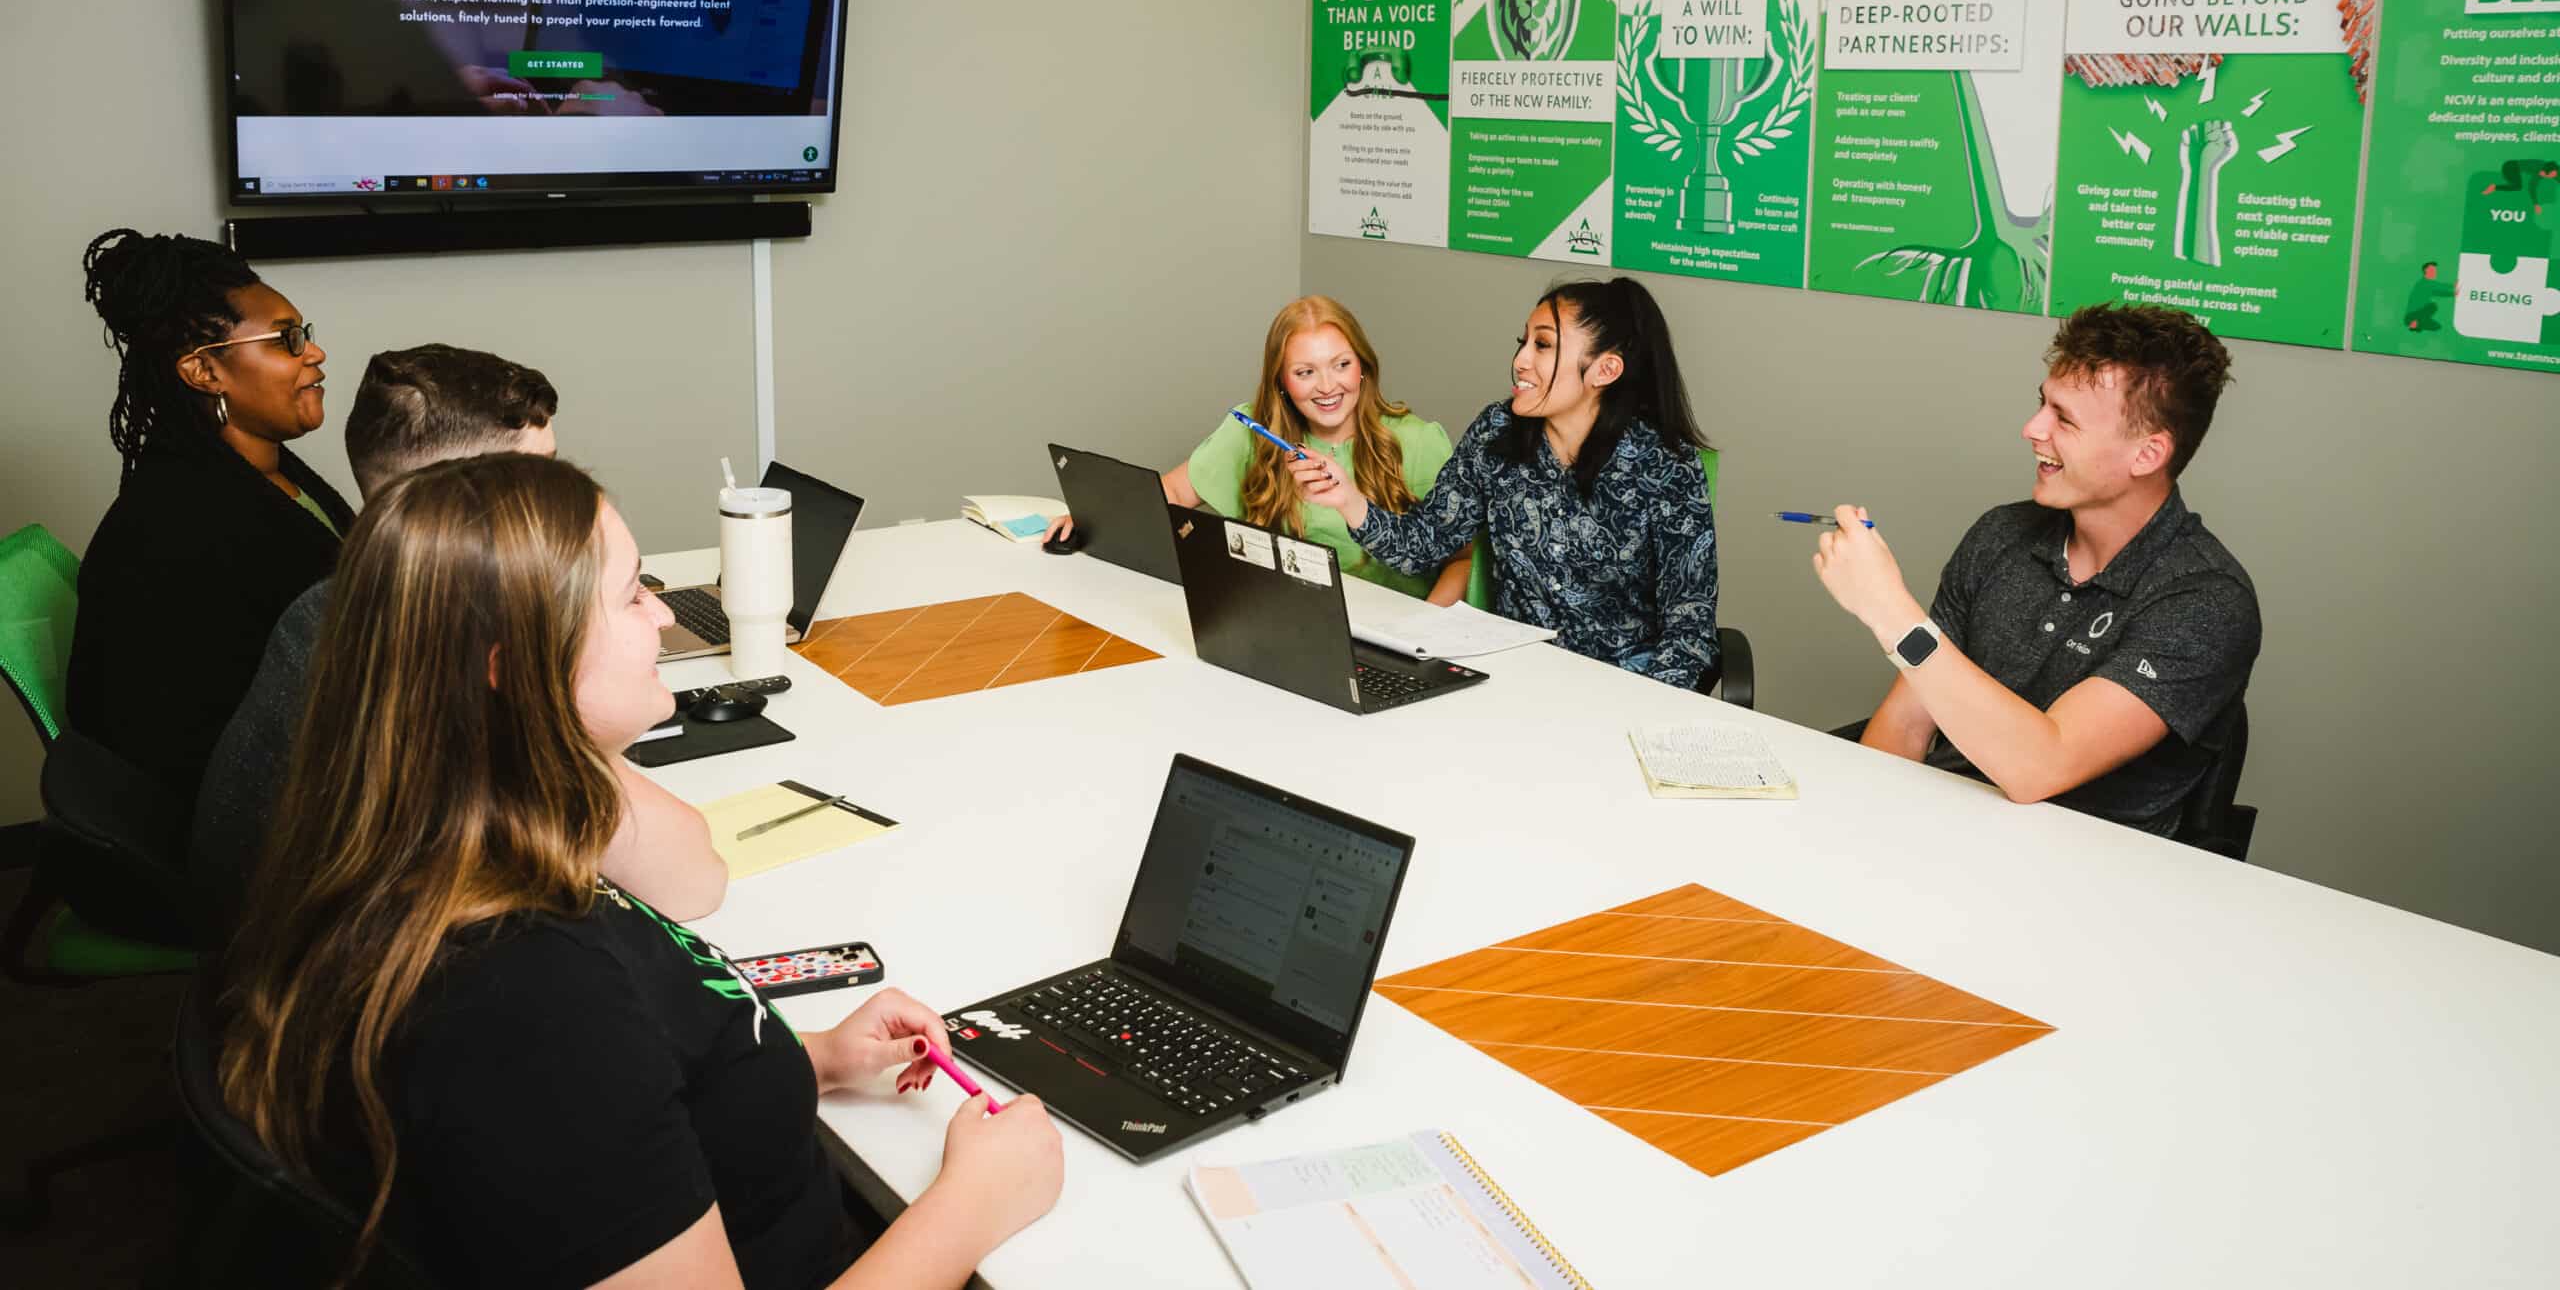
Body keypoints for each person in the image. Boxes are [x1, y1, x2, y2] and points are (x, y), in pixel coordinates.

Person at [215, 454, 1063, 1288]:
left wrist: (816, 1059)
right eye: (630, 593)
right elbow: (585, 1086)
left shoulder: (477, 846)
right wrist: (971, 1205)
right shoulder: (524, 1000)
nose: (662, 615)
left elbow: (640, 1100)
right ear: (511, 666)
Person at [189, 344, 686, 942]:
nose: (565, 501)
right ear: (467, 506)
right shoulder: (429, 665)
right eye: (537, 480)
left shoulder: (345, 607)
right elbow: (687, 882)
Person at [1811, 302, 2259, 835]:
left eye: (2064, 418)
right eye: (2042, 404)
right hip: (1938, 835)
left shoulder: (2205, 601)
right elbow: (1906, 727)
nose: (2031, 428)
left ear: (2146, 454)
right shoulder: (2002, 536)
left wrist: (1887, 608)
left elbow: (2041, 766)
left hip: (2084, 880)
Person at [1291, 277, 1719, 689]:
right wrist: (1347, 499)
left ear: (1605, 370)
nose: (1521, 360)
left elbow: (1690, 634)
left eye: (1544, 345)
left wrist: (1631, 711)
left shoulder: (1665, 465)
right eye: (1524, 342)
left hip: (1622, 689)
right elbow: (1424, 543)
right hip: (1514, 681)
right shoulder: (1496, 432)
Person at [65, 228, 353, 840]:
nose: (315, 353)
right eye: (288, 340)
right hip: (241, 836)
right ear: (203, 371)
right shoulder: (179, 523)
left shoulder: (270, 473)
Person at [1049, 296, 1481, 604]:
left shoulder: (1419, 441)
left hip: (1394, 635)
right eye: (1305, 372)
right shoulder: (1250, 430)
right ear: (1281, 381)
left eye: (1342, 365)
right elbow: (1175, 493)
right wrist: (1097, 516)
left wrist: (1429, 631)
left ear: (1364, 367)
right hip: (1286, 622)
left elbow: (1463, 557)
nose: (1328, 386)